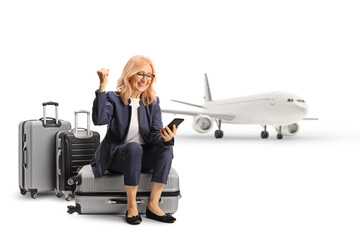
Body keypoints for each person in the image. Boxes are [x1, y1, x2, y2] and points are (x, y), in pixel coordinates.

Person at [91, 55, 178, 225]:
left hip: (141, 158)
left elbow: (153, 135)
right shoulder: (112, 98)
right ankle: (132, 206)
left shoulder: (153, 102)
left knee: (167, 147)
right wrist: (102, 87)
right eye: (140, 74)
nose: (145, 79)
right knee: (133, 148)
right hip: (118, 158)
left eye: (149, 75)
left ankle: (153, 205)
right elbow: (99, 120)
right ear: (129, 74)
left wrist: (165, 138)